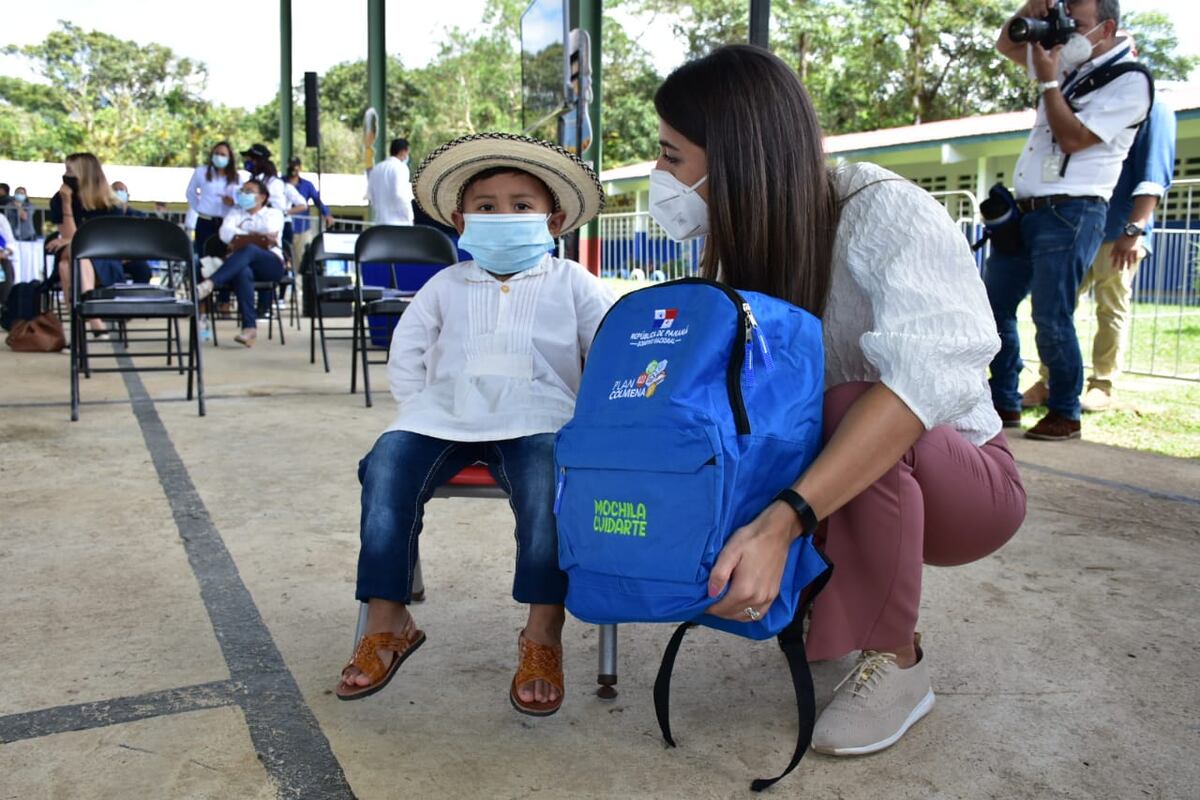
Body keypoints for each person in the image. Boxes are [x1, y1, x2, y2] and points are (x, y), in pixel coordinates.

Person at [649, 45, 1026, 756]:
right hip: (857, 483)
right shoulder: (753, 245)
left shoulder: (883, 212)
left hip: (967, 486)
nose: (660, 177)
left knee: (855, 399)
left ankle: (899, 660)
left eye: (672, 156)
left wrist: (779, 526)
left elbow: (917, 387)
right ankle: (832, 607)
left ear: (733, 157)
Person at [336, 134, 615, 717]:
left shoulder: (574, 284)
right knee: (385, 465)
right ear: (462, 220)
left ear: (554, 218)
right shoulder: (445, 285)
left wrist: (588, 422)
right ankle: (389, 619)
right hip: (443, 414)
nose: (503, 216)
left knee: (549, 485)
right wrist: (417, 409)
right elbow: (407, 354)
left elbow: (611, 356)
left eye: (521, 205)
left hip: (540, 417)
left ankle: (542, 631)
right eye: (486, 207)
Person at [987, 0, 1152, 441]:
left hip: (1072, 211)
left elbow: (1074, 137)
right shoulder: (1067, 65)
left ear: (1107, 27)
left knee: (1051, 315)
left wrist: (1047, 81)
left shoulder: (1131, 82)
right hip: (1025, 210)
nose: (1064, 33)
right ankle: (1002, 400)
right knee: (992, 306)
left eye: (1075, 24)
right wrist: (1036, 4)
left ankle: (1065, 409)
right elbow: (1007, 41)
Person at [1023, 85, 1175, 413]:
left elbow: (1155, 173)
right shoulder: (1093, 98)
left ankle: (1102, 383)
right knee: (1056, 308)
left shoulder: (1152, 103)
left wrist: (1134, 229)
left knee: (1110, 308)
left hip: (1118, 228)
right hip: (1075, 225)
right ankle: (1050, 379)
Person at [46, 153, 131, 337]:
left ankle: (77, 334)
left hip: (103, 260)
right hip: (75, 254)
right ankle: (94, 322)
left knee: (67, 264)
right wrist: (67, 204)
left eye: (70, 171)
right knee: (76, 255)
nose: (66, 175)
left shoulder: (111, 204)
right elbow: (70, 236)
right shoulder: (59, 200)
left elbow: (103, 242)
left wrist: (71, 240)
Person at [195, 179, 285, 347]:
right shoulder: (235, 212)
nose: (243, 194)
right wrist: (254, 234)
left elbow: (270, 235)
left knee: (250, 249)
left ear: (262, 197)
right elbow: (224, 234)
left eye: (249, 191)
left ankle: (210, 283)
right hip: (242, 264)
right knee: (243, 271)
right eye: (242, 191)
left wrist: (241, 236)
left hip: (270, 263)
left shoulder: (274, 213)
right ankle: (249, 329)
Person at [186, 141, 242, 259]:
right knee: (204, 256)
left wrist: (233, 202)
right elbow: (191, 193)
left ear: (229, 158)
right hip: (205, 221)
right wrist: (200, 208)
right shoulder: (201, 172)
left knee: (225, 256)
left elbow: (241, 199)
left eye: (223, 155)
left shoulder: (236, 177)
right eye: (216, 153)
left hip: (226, 221)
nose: (219, 157)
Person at [366, 137, 414, 226]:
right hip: (398, 223)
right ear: (403, 151)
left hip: (379, 222)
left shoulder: (377, 168)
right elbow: (400, 195)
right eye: (408, 152)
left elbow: (370, 195)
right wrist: (410, 216)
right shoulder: (401, 168)